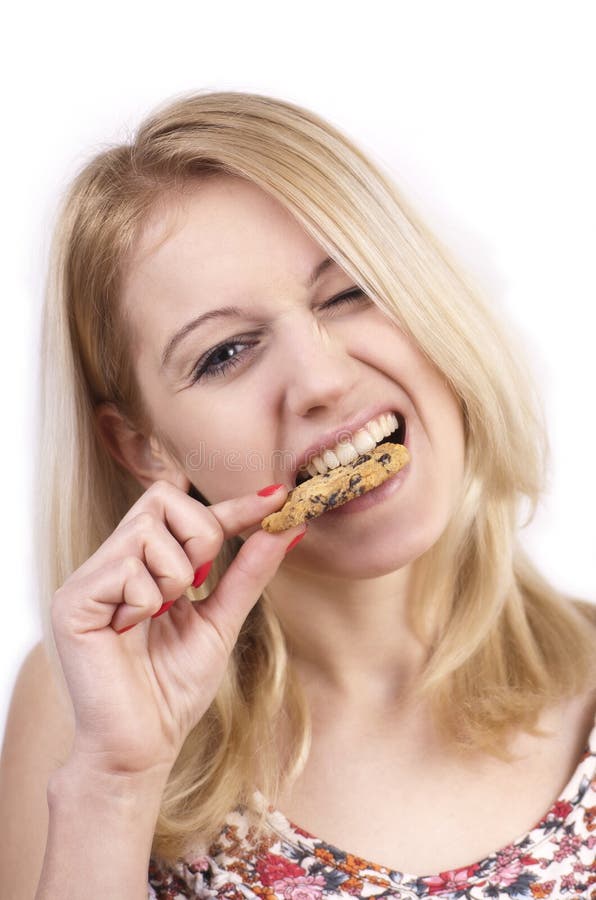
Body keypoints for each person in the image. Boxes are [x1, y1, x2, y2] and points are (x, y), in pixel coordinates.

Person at [1, 90, 595, 900]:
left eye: (350, 292)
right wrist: (114, 785)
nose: (321, 379)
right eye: (226, 353)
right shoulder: (88, 711)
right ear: (146, 448)